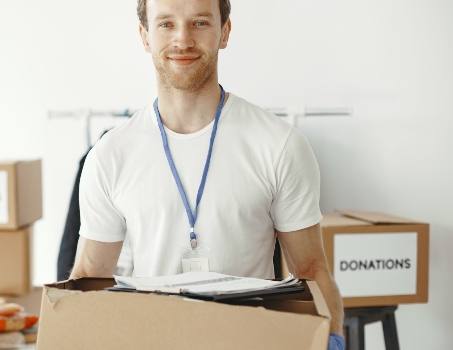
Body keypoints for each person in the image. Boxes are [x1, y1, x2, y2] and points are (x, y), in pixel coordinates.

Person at [69, 0, 345, 348]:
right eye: (166, 24)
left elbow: (310, 269)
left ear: (224, 32)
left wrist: (332, 338)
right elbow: (90, 278)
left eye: (199, 23)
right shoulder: (109, 156)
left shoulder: (280, 145)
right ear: (145, 36)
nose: (182, 40)